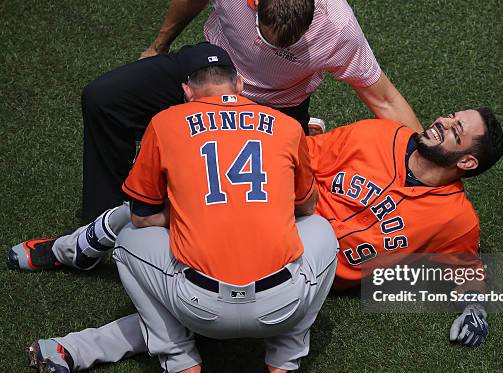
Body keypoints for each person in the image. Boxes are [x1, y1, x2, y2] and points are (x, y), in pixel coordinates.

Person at [13, 105, 503, 373]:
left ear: (468, 162)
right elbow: (298, 162)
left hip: (307, 272)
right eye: (450, 115)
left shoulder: (455, 217)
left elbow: (467, 264)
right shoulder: (377, 136)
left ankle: (71, 337)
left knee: (192, 301)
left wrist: (475, 306)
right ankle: (73, 250)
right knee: (162, 212)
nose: (440, 122)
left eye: (455, 131)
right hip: (270, 220)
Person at [26, 42, 339, 373]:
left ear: (187, 91)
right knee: (321, 229)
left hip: (198, 307)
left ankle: (181, 363)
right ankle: (283, 364)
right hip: (281, 305)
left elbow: (142, 217)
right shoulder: (286, 126)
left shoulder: (165, 123)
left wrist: (187, 215)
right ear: (238, 85)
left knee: (128, 236)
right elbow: (307, 206)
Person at [80, 0, 423, 222]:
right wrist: (159, 45)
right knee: (103, 98)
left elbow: (386, 100)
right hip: (211, 66)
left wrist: (429, 161)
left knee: (258, 213)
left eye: (288, 47)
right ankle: (100, 219)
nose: (270, 49)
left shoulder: (338, 28)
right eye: (267, 38)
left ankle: (301, 135)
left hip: (275, 106)